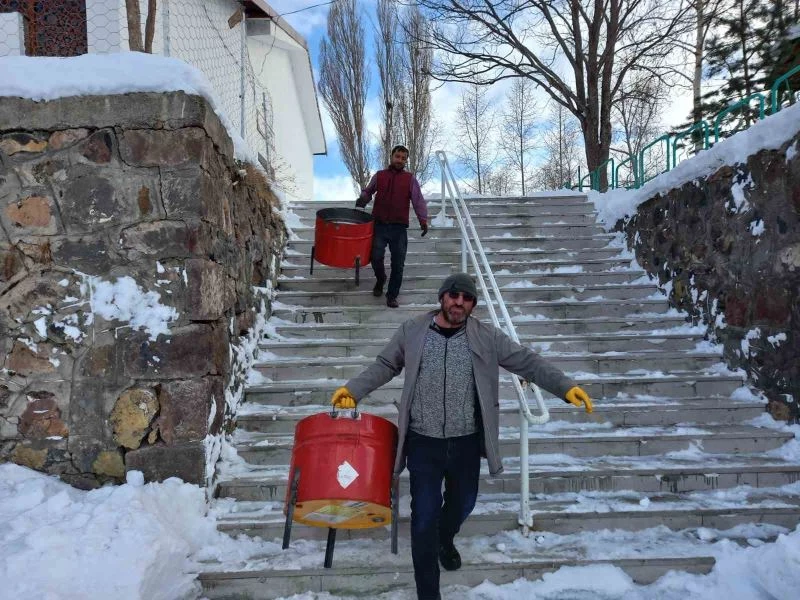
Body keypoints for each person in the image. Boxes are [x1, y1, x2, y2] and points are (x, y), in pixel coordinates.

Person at [329, 273, 594, 600]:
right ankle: (429, 593)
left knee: (463, 503)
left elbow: (527, 361)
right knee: (423, 517)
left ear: (473, 304)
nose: (459, 302)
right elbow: (385, 364)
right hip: (423, 442)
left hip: (466, 441)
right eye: (454, 295)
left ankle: (446, 536)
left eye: (467, 298)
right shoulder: (413, 331)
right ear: (443, 297)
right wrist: (353, 391)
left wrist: (566, 387)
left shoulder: (486, 336)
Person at [356, 144, 428, 308]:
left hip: (399, 228)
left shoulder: (409, 179)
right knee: (375, 256)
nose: (400, 160)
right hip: (379, 225)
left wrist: (423, 220)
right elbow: (369, 191)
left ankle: (392, 295)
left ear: (406, 161)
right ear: (391, 157)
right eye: (397, 157)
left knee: (398, 263)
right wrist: (362, 199)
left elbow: (418, 200)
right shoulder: (380, 176)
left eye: (403, 158)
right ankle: (381, 279)